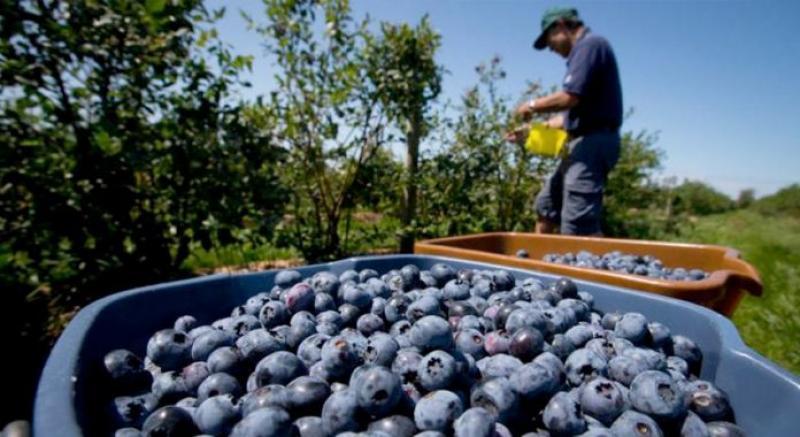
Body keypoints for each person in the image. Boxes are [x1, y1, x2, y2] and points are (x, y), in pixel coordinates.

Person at [510, 6, 623, 236]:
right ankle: (541, 265)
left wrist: (531, 105)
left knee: (578, 223)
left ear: (561, 26)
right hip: (582, 142)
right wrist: (529, 132)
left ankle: (581, 268)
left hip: (593, 143)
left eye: (549, 39)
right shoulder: (585, 51)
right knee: (546, 206)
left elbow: (569, 97)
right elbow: (569, 117)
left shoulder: (590, 46)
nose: (550, 48)